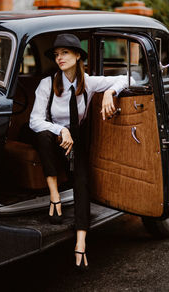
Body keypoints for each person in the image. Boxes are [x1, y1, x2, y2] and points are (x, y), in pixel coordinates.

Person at [29, 33, 134, 270]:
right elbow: (34, 121)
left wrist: (110, 92)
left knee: (82, 182)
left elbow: (129, 77)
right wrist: (60, 130)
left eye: (65, 53)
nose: (59, 58)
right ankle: (54, 197)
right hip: (52, 140)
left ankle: (80, 244)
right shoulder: (48, 83)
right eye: (56, 54)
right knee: (43, 136)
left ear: (78, 56)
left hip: (76, 143)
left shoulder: (89, 82)